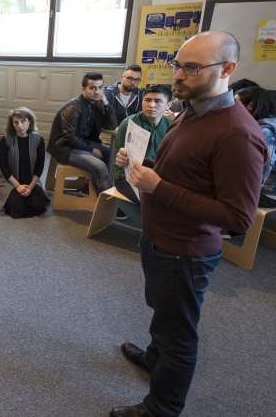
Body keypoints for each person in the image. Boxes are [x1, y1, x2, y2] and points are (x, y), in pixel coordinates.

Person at [111, 31, 268, 417]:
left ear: (227, 69)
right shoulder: (191, 110)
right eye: (178, 65)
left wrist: (158, 187)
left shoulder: (237, 134)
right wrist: (145, 168)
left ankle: (162, 408)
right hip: (159, 236)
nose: (179, 75)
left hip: (185, 251)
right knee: (163, 314)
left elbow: (238, 218)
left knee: (178, 335)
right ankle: (155, 358)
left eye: (192, 68)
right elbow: (184, 172)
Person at [47, 71, 118, 194]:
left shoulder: (96, 104)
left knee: (113, 154)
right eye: (92, 88)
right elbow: (69, 136)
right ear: (83, 89)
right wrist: (91, 149)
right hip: (66, 147)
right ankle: (104, 198)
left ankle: (97, 189)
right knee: (100, 166)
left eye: (100, 88)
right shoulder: (73, 107)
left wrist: (106, 104)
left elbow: (112, 126)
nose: (97, 92)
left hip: (84, 143)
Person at [113, 85, 172, 205]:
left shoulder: (171, 125)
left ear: (168, 105)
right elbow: (121, 159)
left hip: (157, 175)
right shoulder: (129, 124)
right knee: (154, 202)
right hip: (127, 177)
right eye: (147, 100)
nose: (151, 105)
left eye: (158, 101)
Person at [0, 108, 49, 218]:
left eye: (23, 121)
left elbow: (39, 166)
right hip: (9, 180)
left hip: (29, 180)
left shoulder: (38, 139)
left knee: (39, 206)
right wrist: (18, 186)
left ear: (30, 121)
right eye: (16, 122)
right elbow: (3, 167)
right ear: (12, 124)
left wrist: (31, 187)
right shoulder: (5, 140)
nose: (20, 125)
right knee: (17, 208)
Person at [234, 86, 276, 208]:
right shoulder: (268, 124)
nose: (231, 109)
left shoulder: (265, 131)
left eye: (235, 105)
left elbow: (264, 167)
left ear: (250, 106)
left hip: (268, 192)